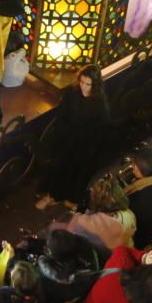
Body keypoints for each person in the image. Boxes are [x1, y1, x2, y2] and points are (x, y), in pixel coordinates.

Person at [36, 64, 111, 210]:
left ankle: (70, 197)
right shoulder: (72, 93)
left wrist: (88, 148)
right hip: (67, 138)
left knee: (77, 172)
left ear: (94, 85)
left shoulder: (99, 104)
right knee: (59, 167)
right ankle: (52, 195)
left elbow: (100, 129)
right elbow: (62, 116)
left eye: (88, 84)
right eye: (81, 82)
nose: (83, 87)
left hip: (85, 145)